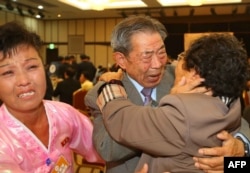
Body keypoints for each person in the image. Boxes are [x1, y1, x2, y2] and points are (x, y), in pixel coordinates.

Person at [84, 15, 250, 173]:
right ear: (121, 60)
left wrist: (240, 150)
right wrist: (171, 107)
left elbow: (232, 117)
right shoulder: (101, 93)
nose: (157, 64)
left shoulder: (188, 75)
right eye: (146, 56)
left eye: (161, 52)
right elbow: (108, 148)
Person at [0, 21, 103, 172]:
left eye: (32, 67)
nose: (24, 81)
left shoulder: (64, 114)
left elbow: (105, 148)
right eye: (8, 72)